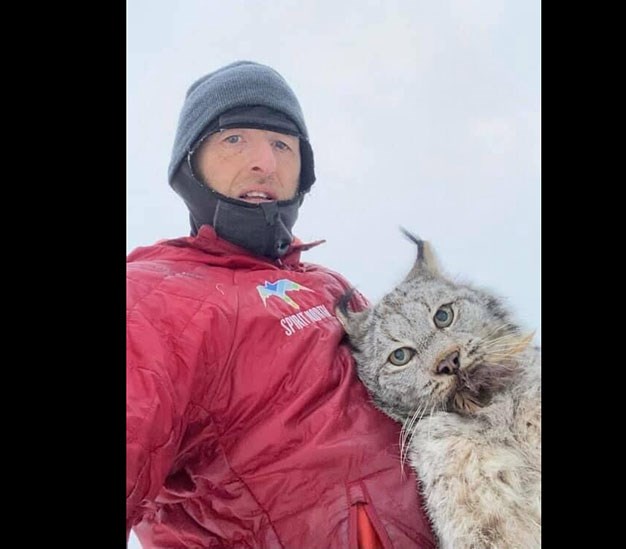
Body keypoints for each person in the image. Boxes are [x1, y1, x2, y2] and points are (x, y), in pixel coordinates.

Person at [126, 60, 435, 548]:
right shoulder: (152, 295)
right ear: (190, 162)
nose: (264, 163)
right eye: (234, 139)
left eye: (282, 145)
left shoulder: (329, 284)